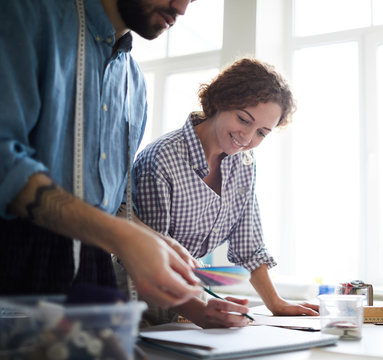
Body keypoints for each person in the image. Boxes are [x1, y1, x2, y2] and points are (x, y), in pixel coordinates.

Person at [0, 0, 238, 312]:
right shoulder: (24, 14)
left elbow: (108, 205)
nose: (181, 8)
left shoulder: (134, 84)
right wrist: (122, 236)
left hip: (92, 274)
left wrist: (193, 304)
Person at [133, 58, 319, 328]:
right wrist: (201, 312)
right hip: (135, 302)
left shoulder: (244, 164)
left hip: (186, 303)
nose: (247, 138)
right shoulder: (162, 158)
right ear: (220, 101)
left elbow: (249, 245)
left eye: (262, 133)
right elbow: (149, 256)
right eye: (243, 119)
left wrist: (276, 303)